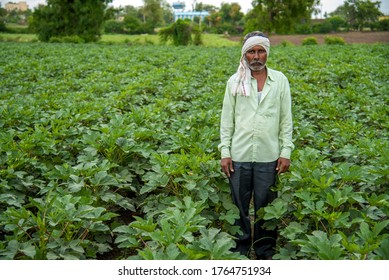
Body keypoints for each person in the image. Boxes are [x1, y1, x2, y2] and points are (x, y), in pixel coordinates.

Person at [218, 31, 294, 260]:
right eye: (251, 51)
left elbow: (286, 119)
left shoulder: (280, 80)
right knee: (239, 206)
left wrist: (286, 151)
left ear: (267, 53)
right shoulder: (235, 81)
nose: (256, 56)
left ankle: (264, 251)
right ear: (244, 54)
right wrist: (225, 151)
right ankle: (240, 252)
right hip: (239, 155)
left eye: (261, 51)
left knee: (266, 207)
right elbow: (226, 120)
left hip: (268, 155)